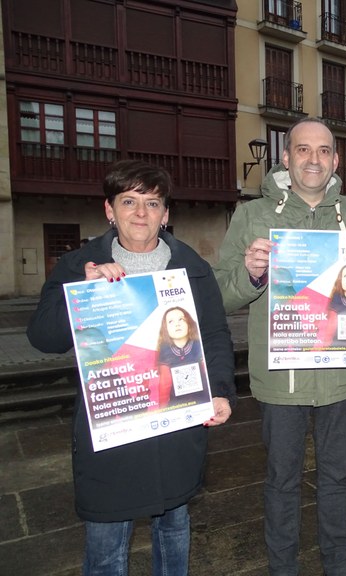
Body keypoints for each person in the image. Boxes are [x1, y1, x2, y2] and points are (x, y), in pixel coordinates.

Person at [27, 159, 236, 576]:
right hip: (113, 434)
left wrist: (221, 391)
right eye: (129, 201)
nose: (141, 213)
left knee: (174, 530)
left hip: (175, 429)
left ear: (166, 214)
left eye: (153, 203)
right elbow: (42, 338)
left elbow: (213, 336)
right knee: (106, 545)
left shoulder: (192, 269)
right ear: (110, 210)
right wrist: (80, 296)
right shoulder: (79, 266)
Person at [214, 118, 346, 576]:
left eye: (323, 151)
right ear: (287, 157)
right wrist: (253, 275)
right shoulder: (252, 216)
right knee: (281, 482)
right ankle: (283, 569)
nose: (313, 159)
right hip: (281, 379)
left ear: (336, 160)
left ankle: (340, 566)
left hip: (344, 377)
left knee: (339, 479)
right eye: (302, 150)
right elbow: (219, 296)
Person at [156, 306, 211, 409]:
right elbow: (164, 384)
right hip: (177, 405)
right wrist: (162, 410)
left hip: (204, 401)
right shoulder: (164, 351)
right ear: (165, 328)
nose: (177, 324)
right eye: (171, 321)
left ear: (189, 323)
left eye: (181, 319)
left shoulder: (199, 345)